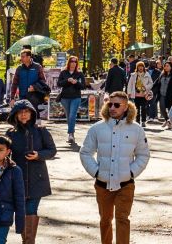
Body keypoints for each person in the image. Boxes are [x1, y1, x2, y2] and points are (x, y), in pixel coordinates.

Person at [79, 91, 150, 244]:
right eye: (109, 104)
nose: (112, 107)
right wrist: (96, 172)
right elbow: (85, 152)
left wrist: (131, 172)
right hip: (102, 184)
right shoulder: (97, 128)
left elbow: (143, 155)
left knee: (122, 219)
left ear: (126, 107)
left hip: (126, 184)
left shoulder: (136, 129)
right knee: (105, 220)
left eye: (117, 105)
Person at [5, 99, 56, 244]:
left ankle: (28, 242)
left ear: (31, 113)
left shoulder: (41, 130)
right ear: (15, 115)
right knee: (21, 211)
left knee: (31, 210)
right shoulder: (11, 133)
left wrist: (39, 155)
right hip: (18, 178)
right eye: (20, 112)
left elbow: (52, 150)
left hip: (37, 178)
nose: (23, 115)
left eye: (26, 112)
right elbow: (4, 152)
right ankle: (26, 241)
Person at [56, 55, 85, 143]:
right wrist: (67, 81)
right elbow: (59, 83)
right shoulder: (64, 72)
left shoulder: (79, 74)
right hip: (65, 97)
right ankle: (71, 133)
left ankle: (70, 134)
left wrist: (76, 82)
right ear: (69, 63)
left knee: (72, 115)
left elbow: (83, 86)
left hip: (76, 97)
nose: (73, 63)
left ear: (77, 64)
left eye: (75, 62)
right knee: (69, 116)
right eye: (72, 61)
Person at [126, 61, 153, 127]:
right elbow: (130, 84)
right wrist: (129, 93)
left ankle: (143, 121)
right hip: (136, 94)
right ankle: (137, 121)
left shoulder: (147, 74)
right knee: (137, 108)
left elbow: (151, 83)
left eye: (141, 67)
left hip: (144, 94)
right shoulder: (133, 75)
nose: (140, 68)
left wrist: (146, 87)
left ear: (143, 67)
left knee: (143, 108)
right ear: (137, 67)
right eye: (139, 67)